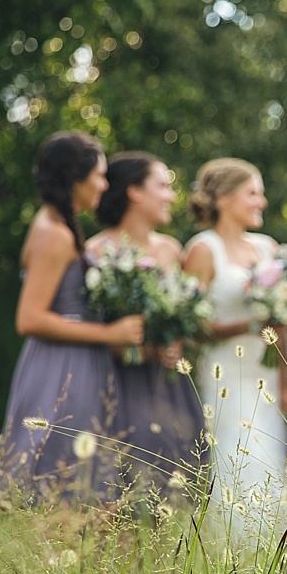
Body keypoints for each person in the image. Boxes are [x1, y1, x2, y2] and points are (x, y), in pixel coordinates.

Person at [0, 131, 144, 504]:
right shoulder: (54, 235)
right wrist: (111, 332)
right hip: (60, 367)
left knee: (81, 482)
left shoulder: (61, 226)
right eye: (99, 176)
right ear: (76, 179)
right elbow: (29, 318)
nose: (105, 185)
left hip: (78, 362)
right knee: (55, 477)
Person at [183, 157, 287, 544]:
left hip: (266, 379)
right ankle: (231, 552)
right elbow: (189, 326)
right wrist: (247, 327)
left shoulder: (268, 248)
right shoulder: (202, 249)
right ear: (225, 198)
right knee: (234, 460)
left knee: (271, 463)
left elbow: (283, 326)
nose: (261, 202)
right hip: (224, 374)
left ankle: (272, 554)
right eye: (253, 193)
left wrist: (286, 383)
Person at [86, 152, 207, 501]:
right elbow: (89, 328)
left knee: (172, 492)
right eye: (163, 186)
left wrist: (176, 343)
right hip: (116, 384)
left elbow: (184, 316)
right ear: (134, 192)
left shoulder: (171, 250)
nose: (171, 195)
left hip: (168, 386)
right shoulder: (94, 251)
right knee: (118, 492)